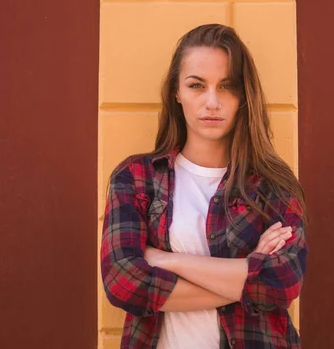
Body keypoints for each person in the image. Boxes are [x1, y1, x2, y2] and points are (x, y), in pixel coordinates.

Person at [100, 23, 308, 349]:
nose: (212, 102)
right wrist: (246, 270)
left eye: (227, 86)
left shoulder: (274, 185)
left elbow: (282, 283)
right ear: (176, 92)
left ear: (244, 95)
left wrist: (166, 260)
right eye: (197, 85)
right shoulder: (136, 178)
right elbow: (123, 282)